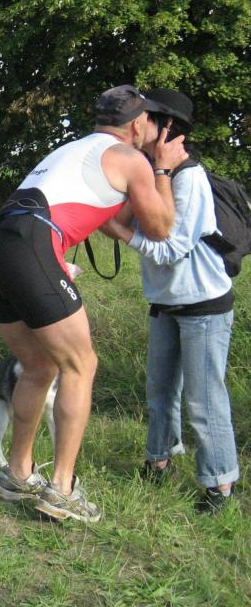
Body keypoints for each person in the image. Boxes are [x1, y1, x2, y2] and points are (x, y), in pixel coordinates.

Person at [0, 84, 189, 522]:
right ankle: (63, 489)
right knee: (81, 365)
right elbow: (161, 227)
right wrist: (163, 169)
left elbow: (108, 215)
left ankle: (18, 474)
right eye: (151, 122)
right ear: (137, 125)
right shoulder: (130, 158)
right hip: (30, 245)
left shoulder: (73, 150)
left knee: (39, 365)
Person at [99, 89, 239, 512]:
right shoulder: (146, 172)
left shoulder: (189, 178)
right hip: (165, 301)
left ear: (167, 128)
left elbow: (171, 249)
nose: (137, 125)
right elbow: (120, 217)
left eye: (146, 118)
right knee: (159, 392)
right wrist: (148, 173)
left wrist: (121, 233)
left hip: (203, 304)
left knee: (203, 400)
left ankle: (219, 483)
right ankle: (158, 461)